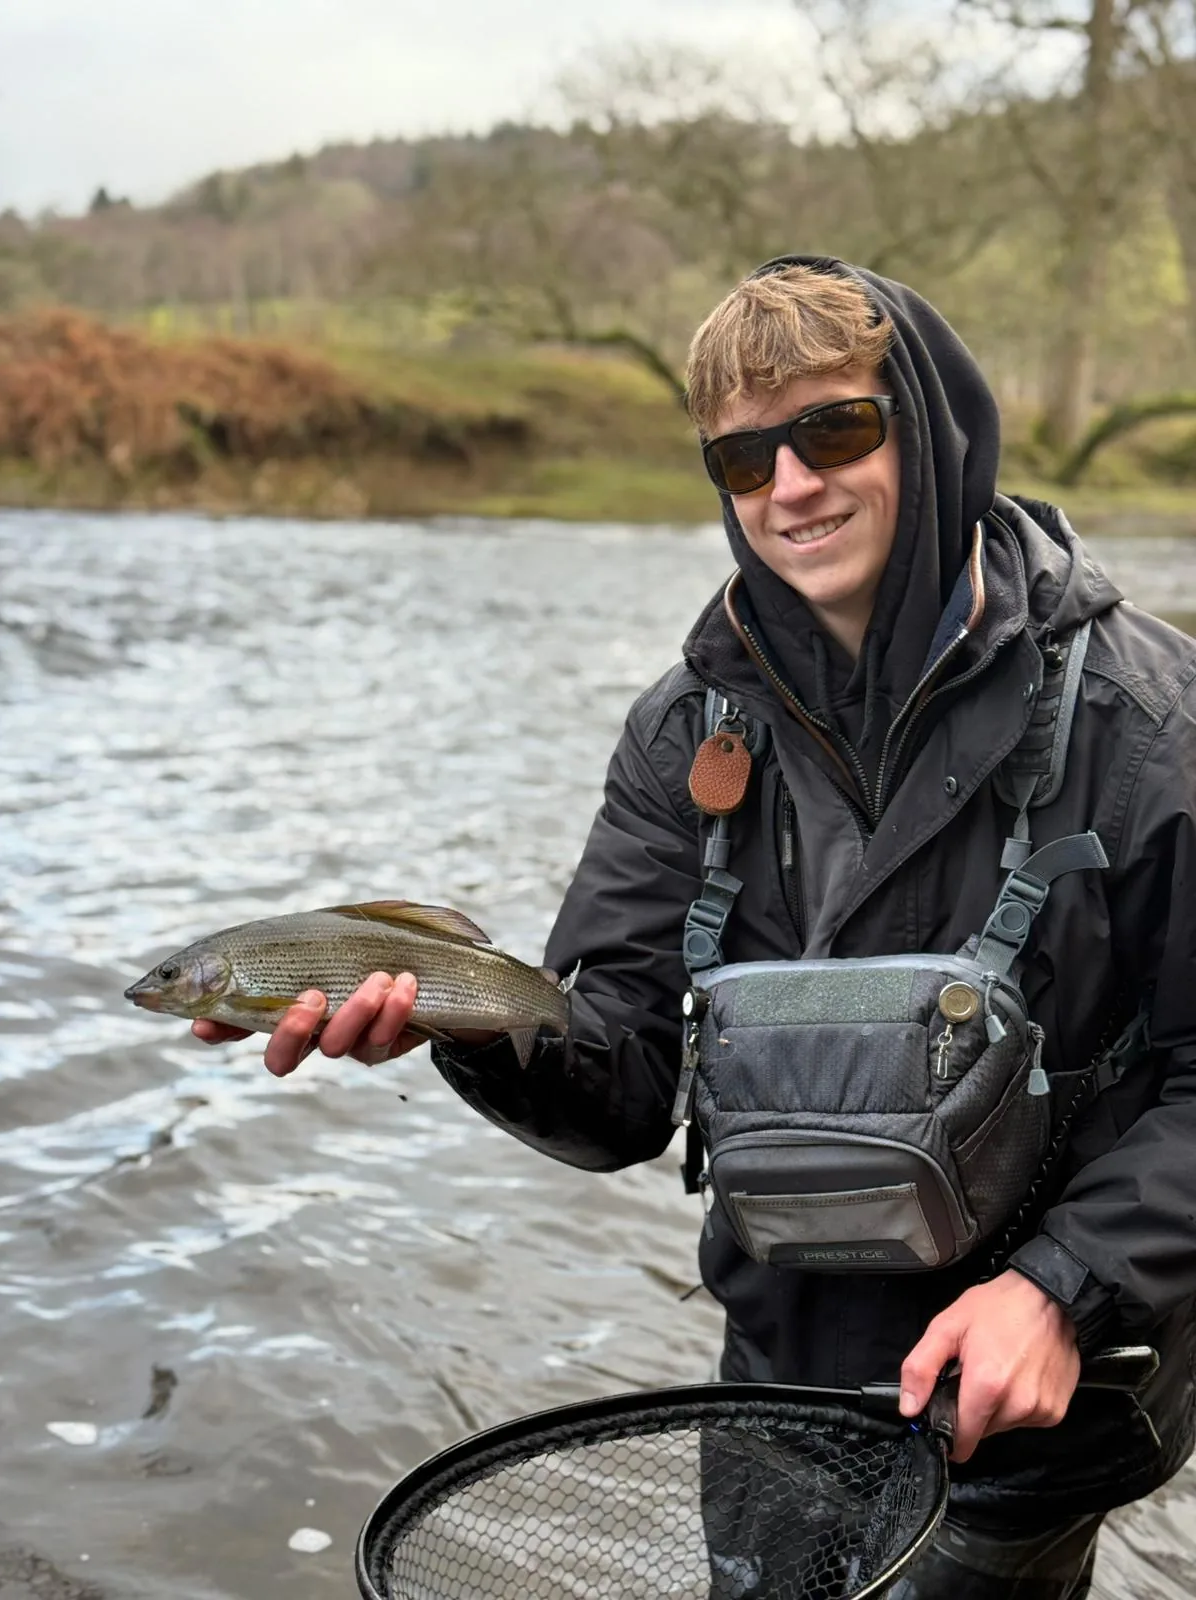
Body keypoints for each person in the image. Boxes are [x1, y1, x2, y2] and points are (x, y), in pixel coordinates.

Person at [195, 256, 1196, 1596]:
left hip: (1038, 1398)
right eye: (742, 456)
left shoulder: (1148, 720)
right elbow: (618, 1091)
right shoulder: (685, 730)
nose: (792, 485)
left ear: (935, 429)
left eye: (835, 430)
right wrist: (461, 1018)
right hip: (779, 1388)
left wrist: (1062, 1289)